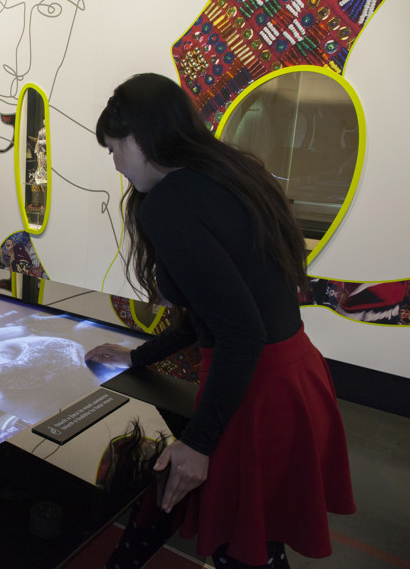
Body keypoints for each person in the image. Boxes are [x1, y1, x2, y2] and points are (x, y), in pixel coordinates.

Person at [87, 73, 355, 568]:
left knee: (243, 547)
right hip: (296, 375)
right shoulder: (232, 173)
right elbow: (213, 313)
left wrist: (199, 443)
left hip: (256, 388)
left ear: (139, 139)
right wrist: (138, 355)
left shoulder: (169, 203)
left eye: (114, 150)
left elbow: (237, 330)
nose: (117, 165)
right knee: (258, 536)